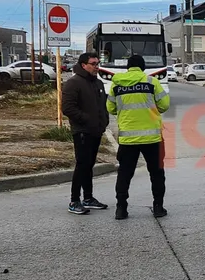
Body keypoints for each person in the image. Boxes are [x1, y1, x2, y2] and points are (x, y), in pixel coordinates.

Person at [107, 54, 170, 220]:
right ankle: (158, 207)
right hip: (152, 139)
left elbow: (110, 107)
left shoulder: (116, 84)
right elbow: (164, 105)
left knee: (124, 174)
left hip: (128, 139)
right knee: (156, 173)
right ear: (143, 67)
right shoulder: (151, 82)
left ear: (127, 67)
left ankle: (121, 209)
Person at [60, 53, 110, 215]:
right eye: (93, 64)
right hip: (82, 131)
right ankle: (75, 201)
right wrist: (86, 120)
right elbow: (68, 108)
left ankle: (88, 198)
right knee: (82, 165)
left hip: (96, 130)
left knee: (89, 165)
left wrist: (103, 122)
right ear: (83, 65)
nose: (97, 66)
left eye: (98, 63)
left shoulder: (98, 83)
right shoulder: (73, 83)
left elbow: (102, 106)